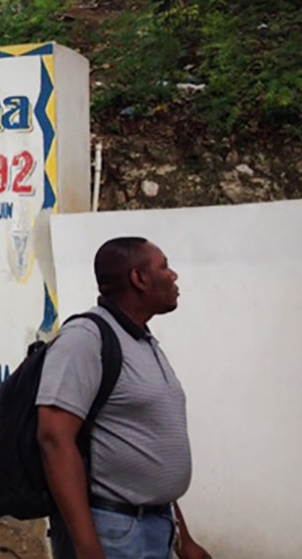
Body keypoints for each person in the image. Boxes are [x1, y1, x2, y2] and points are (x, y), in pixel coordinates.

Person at [36, 237, 211, 559]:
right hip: (113, 531)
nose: (173, 276)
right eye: (164, 267)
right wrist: (88, 547)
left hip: (157, 525)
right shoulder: (85, 340)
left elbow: (147, 449)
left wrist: (184, 539)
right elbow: (54, 439)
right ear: (139, 278)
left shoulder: (143, 342)